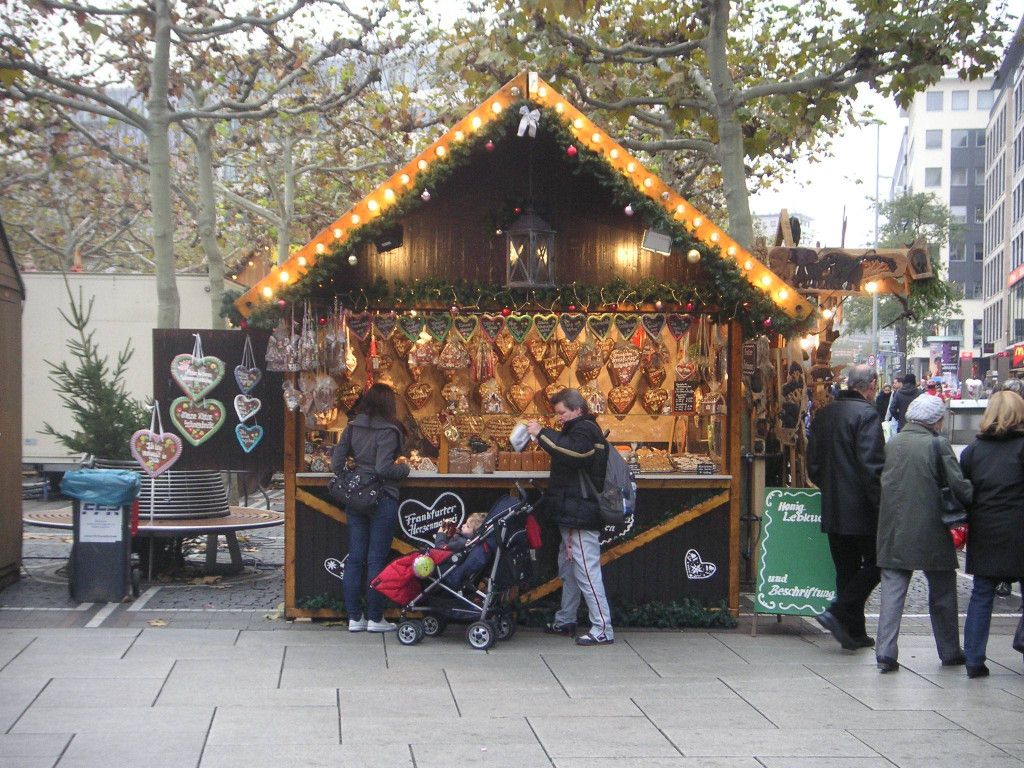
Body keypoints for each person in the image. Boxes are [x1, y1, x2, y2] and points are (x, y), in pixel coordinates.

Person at [874, 394, 972, 672]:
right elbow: (958, 484)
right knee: (942, 591)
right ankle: (950, 650)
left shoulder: (894, 443)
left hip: (893, 527)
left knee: (892, 592)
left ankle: (885, 651)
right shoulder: (937, 444)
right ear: (935, 420)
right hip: (931, 528)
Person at [526, 388, 613, 646]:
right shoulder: (580, 429)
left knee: (586, 570)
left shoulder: (585, 429)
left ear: (577, 409)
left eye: (562, 412)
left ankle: (603, 628)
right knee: (571, 570)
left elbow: (574, 454)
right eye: (557, 414)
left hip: (580, 512)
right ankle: (566, 619)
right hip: (572, 512)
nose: (559, 418)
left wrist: (541, 433)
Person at [807, 364, 885, 651]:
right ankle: (839, 612)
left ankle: (852, 632)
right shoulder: (867, 415)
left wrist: (830, 487)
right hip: (862, 509)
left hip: (833, 505)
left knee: (846, 570)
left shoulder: (825, 415)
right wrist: (880, 506)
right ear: (872, 385)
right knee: (879, 563)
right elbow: (872, 467)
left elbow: (812, 466)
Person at [330, 383, 410, 633]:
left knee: (355, 559)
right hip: (382, 496)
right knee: (376, 559)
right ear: (388, 405)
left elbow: (336, 463)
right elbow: (384, 468)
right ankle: (375, 618)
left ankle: (355, 618)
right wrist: (405, 470)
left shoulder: (352, 427)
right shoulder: (389, 430)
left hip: (356, 498)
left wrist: (351, 478)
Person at [959, 392, 1024, 678]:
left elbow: (964, 490)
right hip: (1019, 528)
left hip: (985, 528)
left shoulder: (974, 450)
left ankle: (973, 659)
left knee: (982, 595)